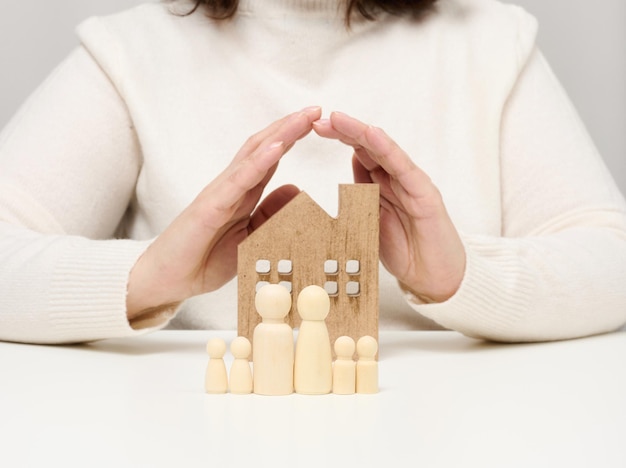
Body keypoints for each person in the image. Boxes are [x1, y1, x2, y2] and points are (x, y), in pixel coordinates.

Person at [0, 0, 625, 344]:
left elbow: (612, 261)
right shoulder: (129, 53)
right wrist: (148, 277)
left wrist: (462, 280)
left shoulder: (493, 41)